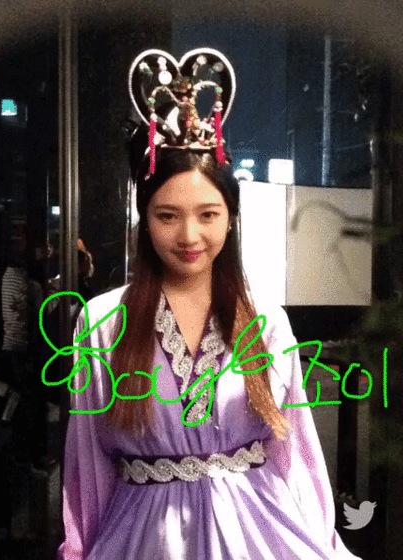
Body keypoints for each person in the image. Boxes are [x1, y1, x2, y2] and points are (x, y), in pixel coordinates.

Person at [58, 49, 361, 559]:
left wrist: (325, 544)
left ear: (230, 218)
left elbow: (296, 453)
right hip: (144, 540)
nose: (189, 235)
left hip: (258, 534)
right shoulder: (104, 322)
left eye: (208, 214)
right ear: (145, 220)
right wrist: (79, 549)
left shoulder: (264, 321)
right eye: (167, 215)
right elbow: (86, 460)